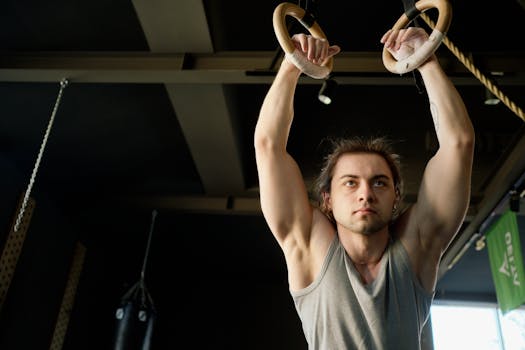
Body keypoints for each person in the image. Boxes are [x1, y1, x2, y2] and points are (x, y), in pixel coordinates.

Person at [253, 27, 475, 350]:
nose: (365, 193)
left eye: (379, 182)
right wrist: (291, 64)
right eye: (350, 183)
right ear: (326, 198)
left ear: (396, 197)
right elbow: (268, 145)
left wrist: (425, 61)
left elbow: (460, 143)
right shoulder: (309, 248)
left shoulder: (417, 248)